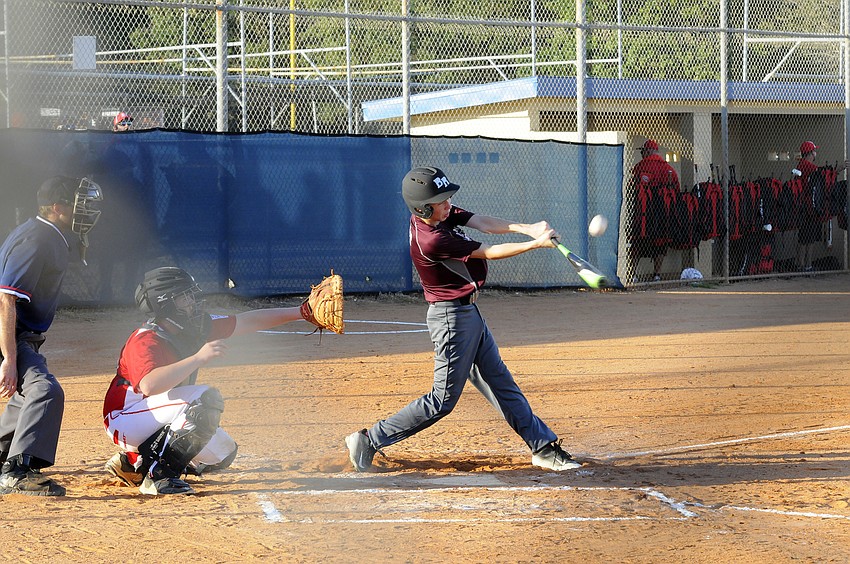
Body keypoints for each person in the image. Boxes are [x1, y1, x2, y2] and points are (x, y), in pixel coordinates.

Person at [344, 166, 582, 473]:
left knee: (499, 381)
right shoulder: (432, 239)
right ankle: (368, 439)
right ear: (423, 208)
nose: (449, 204)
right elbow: (490, 251)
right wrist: (536, 244)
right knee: (441, 400)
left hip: (468, 315)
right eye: (442, 201)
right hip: (451, 321)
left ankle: (542, 447)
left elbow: (481, 222)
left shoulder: (436, 214)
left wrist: (528, 227)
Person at [102, 266, 330, 495]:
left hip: (156, 415)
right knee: (204, 399)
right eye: (184, 297)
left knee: (222, 454)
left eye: (190, 294)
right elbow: (150, 385)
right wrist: (198, 358)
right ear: (165, 303)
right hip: (125, 418)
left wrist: (302, 311)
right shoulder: (146, 339)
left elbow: (247, 321)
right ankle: (159, 476)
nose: (192, 301)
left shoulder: (194, 326)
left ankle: (134, 463)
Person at [0, 175, 103, 496]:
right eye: (78, 205)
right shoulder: (37, 239)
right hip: (9, 332)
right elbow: (6, 297)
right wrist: (9, 358)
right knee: (45, 391)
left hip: (22, 334)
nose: (85, 211)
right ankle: (17, 471)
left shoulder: (47, 233)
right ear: (58, 207)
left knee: (26, 394)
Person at [628, 139, 679, 282]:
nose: (642, 153)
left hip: (642, 212)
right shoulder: (668, 168)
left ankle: (633, 275)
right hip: (661, 213)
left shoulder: (640, 167)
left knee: (637, 242)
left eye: (643, 151)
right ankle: (657, 275)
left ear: (649, 151)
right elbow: (676, 190)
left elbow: (630, 188)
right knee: (660, 243)